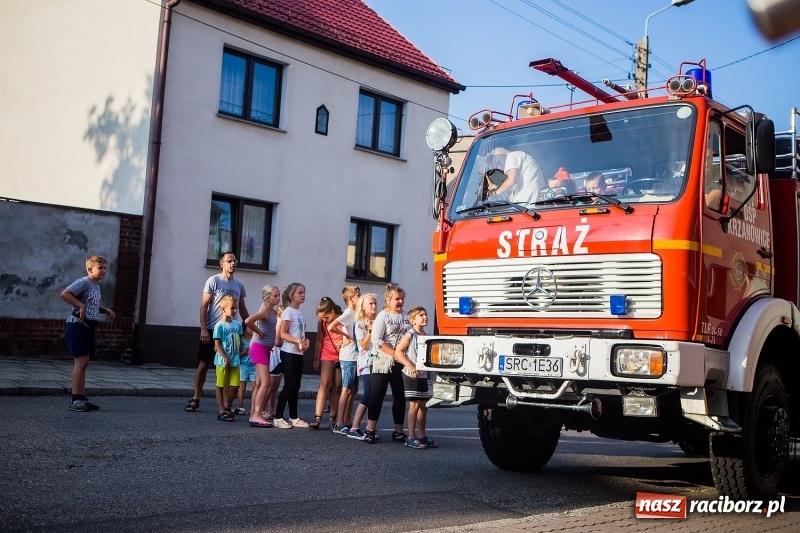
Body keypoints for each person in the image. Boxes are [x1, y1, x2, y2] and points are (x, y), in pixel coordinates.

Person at [185, 251, 249, 413]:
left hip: (232, 331)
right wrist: (204, 328)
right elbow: (204, 306)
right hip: (214, 329)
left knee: (230, 365)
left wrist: (249, 328)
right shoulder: (213, 281)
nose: (233, 263)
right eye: (229, 261)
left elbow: (242, 309)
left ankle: (226, 404)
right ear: (222, 264)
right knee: (204, 364)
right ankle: (196, 397)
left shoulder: (238, 286)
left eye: (235, 261)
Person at [60, 255, 116, 412]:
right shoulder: (83, 282)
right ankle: (75, 400)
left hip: (89, 327)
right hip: (78, 325)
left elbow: (90, 304)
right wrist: (80, 306)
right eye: (101, 268)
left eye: (105, 268)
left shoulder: (96, 286)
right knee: (81, 363)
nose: (104, 271)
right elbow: (65, 294)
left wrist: (104, 310)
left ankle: (82, 398)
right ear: (90, 269)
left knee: (84, 364)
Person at [364, 283, 410, 444]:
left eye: (402, 299)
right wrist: (394, 354)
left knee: (399, 396)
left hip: (400, 362)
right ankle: (370, 430)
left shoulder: (407, 315)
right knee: (377, 395)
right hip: (382, 360)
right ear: (389, 300)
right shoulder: (383, 315)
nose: (400, 302)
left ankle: (398, 432)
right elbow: (376, 340)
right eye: (397, 299)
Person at [395, 307, 437, 449]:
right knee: (413, 405)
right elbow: (398, 352)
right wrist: (410, 366)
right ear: (412, 320)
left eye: (425, 314)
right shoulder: (410, 335)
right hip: (410, 374)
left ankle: (421, 436)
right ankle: (411, 437)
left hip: (422, 375)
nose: (425, 317)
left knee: (423, 405)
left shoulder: (426, 335)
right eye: (421, 315)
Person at [273, 283, 311, 429]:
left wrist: (305, 341)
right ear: (291, 295)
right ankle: (278, 417)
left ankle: (294, 417)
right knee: (289, 385)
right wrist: (297, 341)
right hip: (288, 352)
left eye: (304, 292)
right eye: (300, 292)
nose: (303, 295)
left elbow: (299, 333)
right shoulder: (288, 311)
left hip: (298, 352)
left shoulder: (299, 313)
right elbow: (283, 334)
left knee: (296, 386)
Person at [243, 284, 280, 428]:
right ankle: (257, 415)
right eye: (275, 295)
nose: (278, 298)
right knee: (266, 383)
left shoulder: (272, 311)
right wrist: (258, 332)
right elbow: (248, 321)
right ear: (267, 297)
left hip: (265, 348)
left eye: (278, 295)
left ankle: (254, 413)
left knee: (260, 384)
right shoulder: (265, 311)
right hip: (259, 347)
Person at [328, 286, 361, 434]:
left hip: (356, 356)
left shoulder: (356, 313)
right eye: (357, 295)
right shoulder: (348, 312)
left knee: (353, 389)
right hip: (348, 356)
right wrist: (347, 336)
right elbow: (332, 327)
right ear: (350, 298)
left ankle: (347, 419)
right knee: (346, 389)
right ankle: (339, 422)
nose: (359, 298)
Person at [347, 293, 378, 440]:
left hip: (378, 362)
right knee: (368, 395)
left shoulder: (379, 320)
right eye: (370, 303)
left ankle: (370, 428)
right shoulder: (359, 323)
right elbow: (363, 345)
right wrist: (371, 330)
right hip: (366, 363)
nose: (374, 306)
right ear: (363, 307)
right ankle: (354, 427)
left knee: (375, 396)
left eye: (375, 303)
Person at [310, 297, 344, 429]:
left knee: (337, 386)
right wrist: (316, 359)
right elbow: (319, 340)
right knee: (324, 384)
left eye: (326, 317)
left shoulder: (343, 318)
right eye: (322, 317)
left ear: (332, 311)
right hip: (327, 353)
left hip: (341, 355)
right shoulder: (322, 322)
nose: (324, 320)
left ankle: (333, 418)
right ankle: (317, 418)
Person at [213, 295, 243, 422]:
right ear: (223, 309)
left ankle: (227, 405)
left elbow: (239, 340)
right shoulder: (219, 326)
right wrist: (225, 358)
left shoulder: (237, 325)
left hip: (235, 360)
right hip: (223, 361)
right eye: (232, 308)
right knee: (221, 385)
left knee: (235, 386)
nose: (235, 311)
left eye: (236, 308)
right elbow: (217, 345)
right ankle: (221, 410)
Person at [234, 328, 253, 415]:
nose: (252, 329)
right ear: (245, 329)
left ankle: (254, 408)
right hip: (243, 365)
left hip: (254, 365)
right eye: (250, 327)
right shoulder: (241, 340)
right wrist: (245, 352)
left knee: (255, 388)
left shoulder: (255, 339)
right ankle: (241, 407)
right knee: (242, 387)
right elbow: (237, 355)